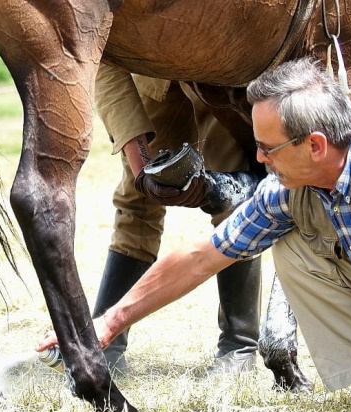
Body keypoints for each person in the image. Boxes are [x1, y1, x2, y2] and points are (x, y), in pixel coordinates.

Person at [40, 57, 351, 412]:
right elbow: (203, 256)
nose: (257, 158)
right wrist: (107, 322)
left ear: (314, 145)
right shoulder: (295, 184)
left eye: (268, 149)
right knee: (296, 248)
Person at [87, 63, 263, 373]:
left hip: (223, 75)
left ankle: (240, 344)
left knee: (234, 204)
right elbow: (106, 63)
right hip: (153, 76)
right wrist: (139, 166)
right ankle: (105, 341)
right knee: (136, 202)